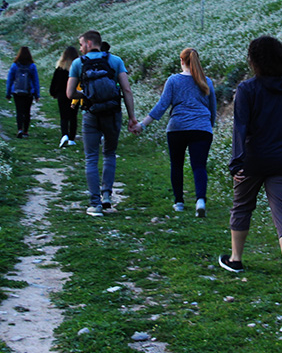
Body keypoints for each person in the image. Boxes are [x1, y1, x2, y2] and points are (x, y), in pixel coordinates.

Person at [219, 35, 282, 291]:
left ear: (254, 60)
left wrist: (236, 163)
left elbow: (240, 127)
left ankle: (236, 260)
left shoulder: (247, 89)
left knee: (242, 206)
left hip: (254, 159)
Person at [137, 48, 217, 217]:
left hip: (177, 128)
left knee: (177, 164)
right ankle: (200, 200)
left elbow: (162, 106)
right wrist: (209, 126)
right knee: (199, 165)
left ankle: (179, 202)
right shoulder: (206, 81)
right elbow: (213, 109)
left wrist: (142, 125)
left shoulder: (173, 80)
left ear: (181, 61)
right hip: (201, 128)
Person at [66, 31, 137, 217]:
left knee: (91, 157)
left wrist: (89, 95)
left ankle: (94, 203)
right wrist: (132, 117)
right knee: (109, 154)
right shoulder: (115, 61)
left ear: (89, 43)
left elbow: (70, 93)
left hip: (91, 114)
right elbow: (127, 90)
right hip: (113, 113)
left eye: (81, 44)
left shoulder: (78, 63)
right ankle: (107, 196)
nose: (80, 48)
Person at [5, 46, 40, 139]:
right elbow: (36, 81)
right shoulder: (32, 66)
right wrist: (37, 94)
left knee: (19, 111)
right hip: (28, 92)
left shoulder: (15, 65)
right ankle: (26, 131)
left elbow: (10, 80)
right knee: (27, 112)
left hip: (17, 92)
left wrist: (8, 93)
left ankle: (19, 129)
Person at [49, 46, 80, 148]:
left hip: (62, 94)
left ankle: (64, 135)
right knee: (73, 117)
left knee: (64, 116)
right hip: (75, 94)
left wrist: (53, 92)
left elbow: (55, 82)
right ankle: (72, 138)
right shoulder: (78, 67)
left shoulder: (60, 67)